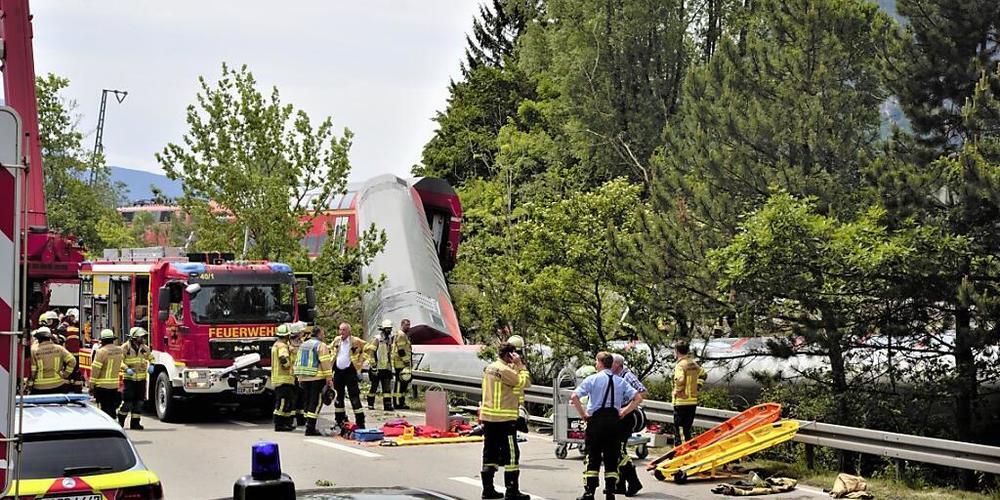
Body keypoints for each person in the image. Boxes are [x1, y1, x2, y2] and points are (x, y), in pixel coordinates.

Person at [571, 352, 643, 500]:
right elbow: (638, 397)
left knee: (593, 458)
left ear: (600, 363)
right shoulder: (620, 381)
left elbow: (574, 396)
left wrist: (583, 414)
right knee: (611, 458)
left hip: (596, 422)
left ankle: (589, 492)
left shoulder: (592, 379)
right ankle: (610, 492)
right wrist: (624, 411)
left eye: (596, 362)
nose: (595, 364)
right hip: (614, 423)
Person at [479, 342, 531, 500]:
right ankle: (512, 490)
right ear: (509, 355)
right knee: (512, 455)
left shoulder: (490, 368)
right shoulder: (505, 370)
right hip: (504, 419)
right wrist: (520, 365)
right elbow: (525, 382)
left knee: (490, 453)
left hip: (489, 418)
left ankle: (488, 490)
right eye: (514, 354)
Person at [611, 353, 647, 497]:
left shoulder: (627, 376)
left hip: (625, 417)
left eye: (611, 362)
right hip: (617, 416)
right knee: (616, 451)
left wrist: (627, 408)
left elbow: (642, 392)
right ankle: (620, 484)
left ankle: (634, 482)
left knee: (619, 450)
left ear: (617, 364)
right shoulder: (614, 376)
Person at [293, 325, 334, 436]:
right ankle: (310, 428)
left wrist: (299, 377)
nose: (324, 335)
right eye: (323, 333)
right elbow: (325, 363)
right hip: (317, 378)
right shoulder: (321, 345)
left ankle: (308, 424)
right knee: (315, 403)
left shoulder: (303, 345)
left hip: (304, 377)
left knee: (307, 401)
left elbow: (298, 361)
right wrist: (329, 378)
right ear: (319, 334)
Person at [330, 322, 368, 430]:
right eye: (340, 330)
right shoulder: (337, 340)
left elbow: (369, 348)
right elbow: (330, 349)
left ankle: (360, 422)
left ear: (349, 331)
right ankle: (339, 421)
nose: (341, 332)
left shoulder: (355, 341)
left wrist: (361, 361)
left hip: (350, 372)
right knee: (338, 397)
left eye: (344, 330)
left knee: (354, 397)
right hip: (338, 372)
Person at [118, 327, 154, 430]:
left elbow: (151, 357)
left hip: (141, 379)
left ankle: (135, 423)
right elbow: (120, 361)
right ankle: (121, 420)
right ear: (134, 337)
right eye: (141, 337)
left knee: (139, 402)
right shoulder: (125, 347)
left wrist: (152, 365)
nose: (143, 339)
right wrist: (126, 369)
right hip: (129, 379)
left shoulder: (144, 348)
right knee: (128, 402)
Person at [672, 341, 706, 446]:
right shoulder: (693, 364)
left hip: (682, 401)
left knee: (680, 429)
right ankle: (689, 448)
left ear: (676, 351)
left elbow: (680, 380)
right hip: (692, 401)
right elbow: (704, 374)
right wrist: (698, 386)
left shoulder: (680, 365)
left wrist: (678, 391)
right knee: (687, 429)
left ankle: (681, 450)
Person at [28, 327, 76, 395]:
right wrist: (66, 374)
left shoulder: (33, 350)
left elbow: (33, 371)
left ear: (38, 338)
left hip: (39, 387)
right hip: (58, 385)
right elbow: (72, 360)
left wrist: (31, 382)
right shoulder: (59, 348)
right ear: (50, 337)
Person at [89, 329, 124, 420]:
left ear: (103, 340)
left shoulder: (101, 352)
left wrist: (91, 385)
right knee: (112, 408)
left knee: (104, 409)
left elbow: (96, 369)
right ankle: (113, 423)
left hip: (102, 386)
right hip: (114, 385)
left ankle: (105, 424)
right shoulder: (119, 350)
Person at [271, 324, 297, 432]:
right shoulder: (282, 346)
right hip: (284, 379)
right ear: (287, 336)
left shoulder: (276, 345)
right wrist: (288, 365)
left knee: (286, 402)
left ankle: (286, 423)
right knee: (283, 402)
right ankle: (279, 424)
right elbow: (283, 359)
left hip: (279, 379)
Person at [365, 319, 395, 411]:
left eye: (390, 328)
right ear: (383, 329)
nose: (389, 330)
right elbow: (371, 353)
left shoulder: (389, 339)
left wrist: (390, 366)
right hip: (377, 368)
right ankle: (370, 403)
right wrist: (373, 366)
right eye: (387, 328)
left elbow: (389, 354)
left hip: (386, 368)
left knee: (387, 388)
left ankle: (387, 405)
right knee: (374, 387)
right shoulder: (377, 339)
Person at [58, 309, 84, 393]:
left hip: (68, 355)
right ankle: (76, 389)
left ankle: (66, 389)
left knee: (69, 372)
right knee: (76, 373)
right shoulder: (78, 329)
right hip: (76, 355)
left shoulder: (64, 328)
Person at [289, 322, 308, 428]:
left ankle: (301, 418)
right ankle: (291, 419)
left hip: (301, 373)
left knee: (302, 396)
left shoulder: (302, 342)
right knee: (293, 397)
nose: (303, 333)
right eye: (301, 331)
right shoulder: (289, 344)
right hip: (293, 374)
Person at [391, 319, 413, 409]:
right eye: (407, 325)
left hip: (403, 364)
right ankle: (397, 403)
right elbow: (401, 350)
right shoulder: (401, 335)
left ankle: (401, 402)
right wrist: (406, 361)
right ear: (402, 325)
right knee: (400, 384)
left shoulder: (403, 334)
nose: (408, 327)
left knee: (403, 384)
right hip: (401, 364)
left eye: (409, 325)